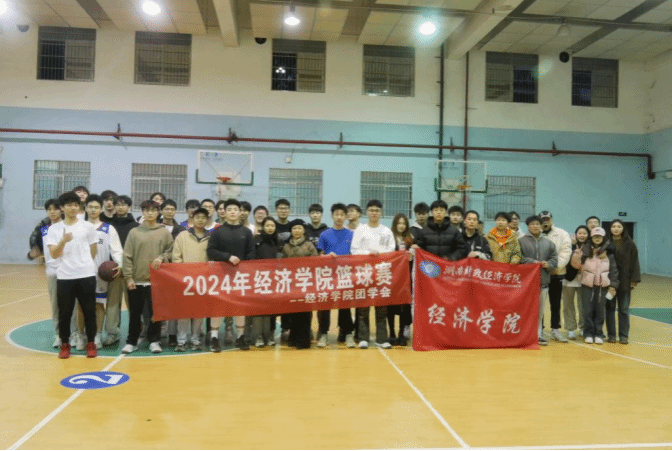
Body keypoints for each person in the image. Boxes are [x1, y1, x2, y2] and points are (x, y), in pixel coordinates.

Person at [46, 191, 98, 359]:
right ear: (62, 207)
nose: (73, 208)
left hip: (86, 275)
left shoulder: (87, 226)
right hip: (65, 276)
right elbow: (54, 254)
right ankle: (65, 344)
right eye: (69, 205)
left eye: (76, 205)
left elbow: (93, 250)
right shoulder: (54, 229)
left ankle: (91, 343)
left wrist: (85, 265)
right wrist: (63, 241)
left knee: (89, 311)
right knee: (65, 313)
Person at [121, 200, 174, 355]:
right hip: (136, 280)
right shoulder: (134, 232)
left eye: (153, 210)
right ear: (142, 212)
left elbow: (171, 250)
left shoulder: (164, 232)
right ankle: (131, 342)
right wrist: (128, 277)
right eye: (147, 210)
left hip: (156, 281)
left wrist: (162, 257)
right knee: (134, 314)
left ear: (158, 212)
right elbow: (127, 256)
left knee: (155, 314)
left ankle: (154, 340)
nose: (150, 213)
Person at [206, 199, 255, 352]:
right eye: (229, 209)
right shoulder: (218, 231)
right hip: (221, 276)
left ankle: (240, 337)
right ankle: (214, 338)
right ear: (224, 212)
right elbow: (211, 251)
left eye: (235, 209)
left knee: (240, 307)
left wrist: (243, 262)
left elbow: (252, 253)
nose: (233, 212)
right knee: (218, 307)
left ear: (240, 212)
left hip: (241, 277)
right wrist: (227, 257)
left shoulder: (246, 232)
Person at [75, 194, 123, 350]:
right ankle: (81, 336)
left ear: (101, 209)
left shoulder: (108, 229)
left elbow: (117, 251)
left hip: (99, 274)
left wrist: (120, 264)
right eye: (90, 207)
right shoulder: (78, 227)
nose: (93, 210)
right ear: (85, 208)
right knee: (81, 306)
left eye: (96, 207)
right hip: (80, 273)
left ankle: (96, 336)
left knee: (98, 305)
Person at [351, 200, 395, 349]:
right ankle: (363, 338)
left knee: (381, 307)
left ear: (381, 213)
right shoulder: (360, 230)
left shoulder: (386, 231)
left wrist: (379, 254)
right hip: (365, 273)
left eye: (377, 210)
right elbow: (354, 250)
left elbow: (392, 250)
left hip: (382, 273)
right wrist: (368, 254)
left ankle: (382, 338)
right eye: (371, 210)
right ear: (367, 212)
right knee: (363, 307)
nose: (374, 213)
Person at [172, 207, 211, 352]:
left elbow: (212, 258)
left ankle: (195, 340)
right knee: (184, 312)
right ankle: (181, 341)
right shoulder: (182, 236)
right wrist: (182, 274)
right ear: (192, 219)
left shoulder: (210, 237)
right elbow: (176, 257)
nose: (200, 220)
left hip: (202, 281)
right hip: (185, 280)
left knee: (199, 312)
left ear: (207, 220)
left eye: (203, 217)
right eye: (197, 217)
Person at [317, 203, 355, 348]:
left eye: (342, 215)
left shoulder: (351, 234)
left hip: (345, 274)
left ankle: (348, 333)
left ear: (346, 217)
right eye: (336, 214)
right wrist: (326, 257)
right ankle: (323, 334)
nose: (339, 217)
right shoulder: (324, 234)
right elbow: (319, 255)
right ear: (332, 216)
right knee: (325, 304)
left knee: (345, 305)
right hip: (327, 275)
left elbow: (356, 254)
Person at [571, 227, 619, 345]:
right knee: (587, 311)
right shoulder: (585, 250)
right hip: (587, 285)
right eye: (595, 236)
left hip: (603, 286)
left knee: (600, 311)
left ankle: (598, 334)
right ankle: (588, 333)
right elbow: (576, 265)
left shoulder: (608, 253)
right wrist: (577, 254)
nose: (597, 238)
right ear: (591, 238)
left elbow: (614, 271)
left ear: (603, 238)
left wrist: (613, 285)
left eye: (599, 236)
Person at [104, 195, 139, 346]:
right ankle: (112, 333)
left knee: (134, 304)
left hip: (131, 271)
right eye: (117, 204)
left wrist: (129, 267)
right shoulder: (108, 226)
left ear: (129, 207)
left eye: (124, 205)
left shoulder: (136, 226)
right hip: (113, 271)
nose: (120, 207)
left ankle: (137, 332)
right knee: (112, 304)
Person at [519, 215, 558, 346]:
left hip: (543, 282)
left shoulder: (549, 243)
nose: (535, 226)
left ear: (541, 226)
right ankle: (523, 335)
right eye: (532, 224)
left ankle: (538, 335)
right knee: (525, 310)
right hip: (525, 284)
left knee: (540, 312)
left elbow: (554, 259)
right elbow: (519, 258)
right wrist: (532, 262)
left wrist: (549, 264)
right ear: (528, 226)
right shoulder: (521, 241)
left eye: (537, 224)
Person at [282, 219, 318, 349]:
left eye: (299, 228)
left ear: (304, 230)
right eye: (294, 228)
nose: (297, 231)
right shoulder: (286, 247)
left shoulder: (309, 245)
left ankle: (304, 340)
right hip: (292, 283)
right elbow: (282, 264)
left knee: (306, 312)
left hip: (306, 282)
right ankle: (293, 338)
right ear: (291, 231)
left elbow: (315, 262)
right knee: (293, 311)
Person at [539, 211, 572, 343]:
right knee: (539, 304)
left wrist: (554, 267)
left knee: (556, 303)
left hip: (556, 274)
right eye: (543, 220)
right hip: (539, 275)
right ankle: (539, 330)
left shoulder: (562, 233)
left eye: (547, 219)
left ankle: (555, 330)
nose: (545, 222)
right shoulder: (535, 234)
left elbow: (566, 252)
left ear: (551, 220)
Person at [607, 219, 640, 344]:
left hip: (625, 281)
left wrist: (634, 279)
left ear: (623, 229)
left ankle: (624, 336)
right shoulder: (606, 243)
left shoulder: (630, 243)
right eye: (614, 226)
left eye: (619, 226)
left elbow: (635, 262)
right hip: (609, 282)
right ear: (610, 229)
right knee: (609, 309)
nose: (616, 229)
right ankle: (611, 335)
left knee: (624, 310)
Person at [160, 199, 186, 346]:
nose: (170, 212)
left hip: (175, 271)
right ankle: (155, 332)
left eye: (172, 209)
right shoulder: (155, 227)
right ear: (161, 211)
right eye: (167, 209)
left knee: (174, 303)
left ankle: (172, 334)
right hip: (158, 270)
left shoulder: (181, 229)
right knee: (158, 302)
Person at [253, 217, 282, 347]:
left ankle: (270, 335)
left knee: (272, 310)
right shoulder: (257, 240)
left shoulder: (278, 242)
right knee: (259, 309)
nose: (270, 228)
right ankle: (258, 336)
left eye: (272, 226)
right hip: (259, 279)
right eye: (267, 225)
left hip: (274, 280)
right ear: (263, 227)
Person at [40, 199, 64, 348]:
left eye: (55, 209)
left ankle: (73, 333)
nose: (52, 212)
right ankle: (58, 334)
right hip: (52, 271)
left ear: (61, 210)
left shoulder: (67, 227)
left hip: (67, 270)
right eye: (49, 209)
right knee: (55, 305)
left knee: (72, 305)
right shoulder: (44, 230)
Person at [388, 213, 414, 347]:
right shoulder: (389, 237)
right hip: (391, 278)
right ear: (395, 224)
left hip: (406, 278)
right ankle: (392, 333)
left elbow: (414, 259)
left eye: (404, 223)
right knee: (390, 306)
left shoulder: (410, 240)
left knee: (405, 306)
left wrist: (412, 255)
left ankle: (401, 334)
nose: (401, 226)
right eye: (399, 223)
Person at [562, 226, 590, 340]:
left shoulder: (590, 246)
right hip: (569, 279)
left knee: (583, 305)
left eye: (584, 233)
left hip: (584, 280)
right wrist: (573, 245)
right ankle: (571, 330)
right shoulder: (569, 244)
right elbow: (565, 258)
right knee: (568, 305)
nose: (582, 235)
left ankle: (583, 328)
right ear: (576, 234)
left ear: (588, 235)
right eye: (580, 233)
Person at [273, 198, 292, 340]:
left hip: (289, 270)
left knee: (287, 299)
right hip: (273, 269)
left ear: (289, 210)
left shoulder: (293, 226)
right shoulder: (271, 225)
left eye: (285, 208)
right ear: (276, 210)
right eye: (280, 208)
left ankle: (287, 328)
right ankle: (271, 330)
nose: (283, 210)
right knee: (273, 299)